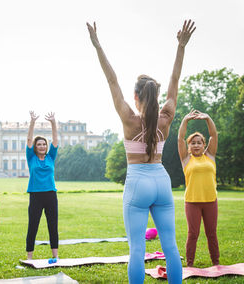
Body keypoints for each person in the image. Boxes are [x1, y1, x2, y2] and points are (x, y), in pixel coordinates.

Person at [87, 20, 195, 283]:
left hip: (137, 182)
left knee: (137, 250)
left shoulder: (128, 119)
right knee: (171, 248)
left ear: (135, 97)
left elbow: (111, 79)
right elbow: (175, 79)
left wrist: (98, 45)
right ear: (157, 97)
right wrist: (180, 47)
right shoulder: (166, 117)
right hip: (161, 180)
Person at [178, 110, 219, 267]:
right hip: (192, 202)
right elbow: (180, 138)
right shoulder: (186, 159)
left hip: (210, 201)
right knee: (193, 234)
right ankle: (190, 265)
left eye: (199, 142)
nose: (196, 145)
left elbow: (214, 135)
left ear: (204, 145)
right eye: (193, 143)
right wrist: (185, 120)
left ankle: (216, 263)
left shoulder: (210, 156)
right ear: (189, 146)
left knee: (211, 234)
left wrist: (208, 118)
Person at [25, 111, 59, 261]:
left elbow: (56, 140)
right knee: (33, 225)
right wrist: (32, 122)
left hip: (51, 194)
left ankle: (55, 256)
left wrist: (53, 122)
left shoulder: (51, 157)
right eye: (39, 144)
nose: (42, 146)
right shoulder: (31, 157)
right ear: (35, 147)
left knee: (53, 225)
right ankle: (29, 257)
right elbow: (28, 139)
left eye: (44, 144)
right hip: (36, 195)